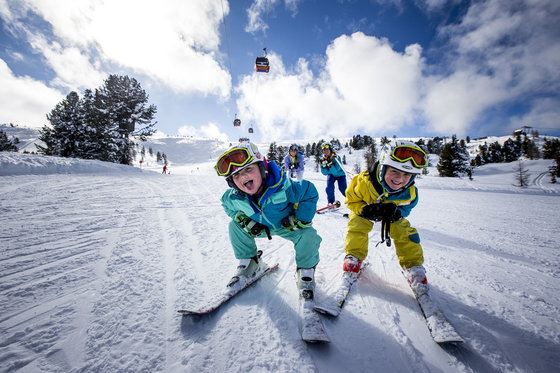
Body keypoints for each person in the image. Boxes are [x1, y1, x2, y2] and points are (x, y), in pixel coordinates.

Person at [215, 142, 322, 299]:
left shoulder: (283, 186)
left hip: (288, 226)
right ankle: (250, 263)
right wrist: (244, 220)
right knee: (235, 226)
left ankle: (306, 273)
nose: (243, 177)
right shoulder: (234, 197)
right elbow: (227, 205)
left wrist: (301, 219)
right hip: (260, 228)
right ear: (231, 182)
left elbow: (309, 191)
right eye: (236, 175)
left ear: (262, 167)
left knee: (308, 235)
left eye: (248, 169)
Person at [342, 140, 429, 292]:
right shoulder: (363, 182)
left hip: (390, 216)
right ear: (383, 168)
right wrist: (364, 209)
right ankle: (354, 257)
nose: (399, 179)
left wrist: (398, 213)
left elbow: (408, 206)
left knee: (405, 231)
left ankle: (413, 266)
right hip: (367, 211)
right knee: (356, 224)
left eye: (407, 174)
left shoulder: (409, 192)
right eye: (394, 171)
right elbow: (351, 201)